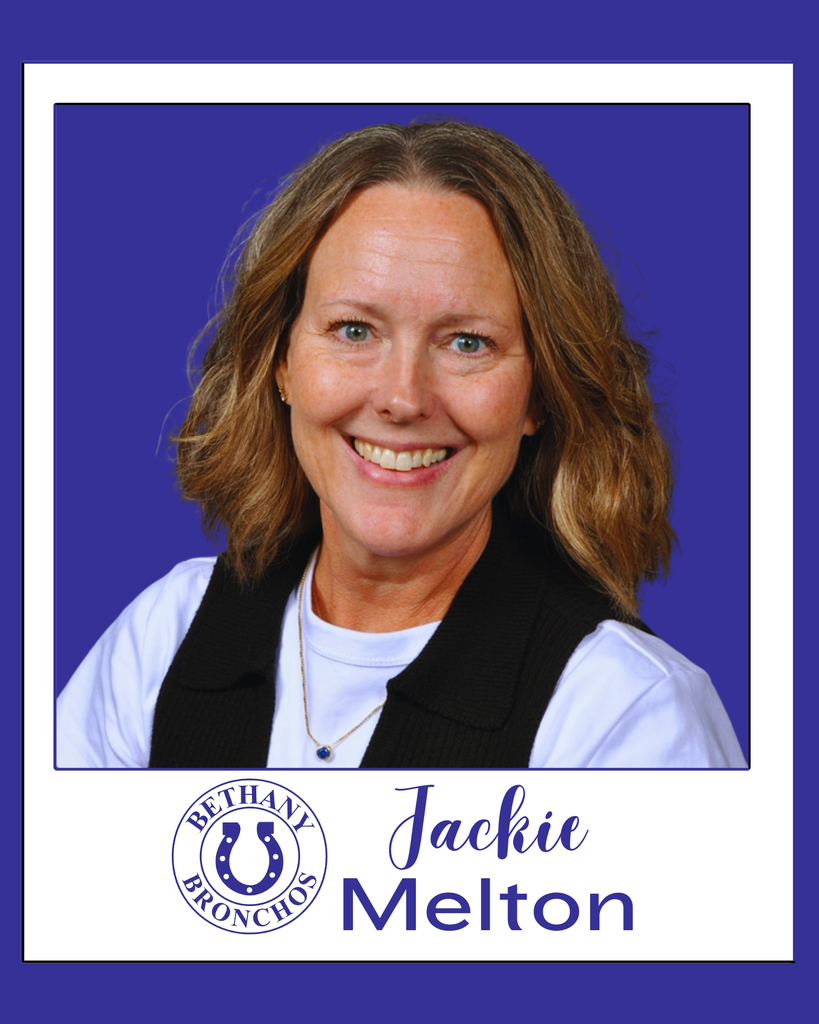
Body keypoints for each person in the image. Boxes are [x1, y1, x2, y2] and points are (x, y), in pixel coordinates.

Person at [57, 120, 746, 769]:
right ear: (281, 361)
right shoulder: (163, 640)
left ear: (539, 393)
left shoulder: (624, 715)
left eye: (467, 342)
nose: (402, 398)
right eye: (354, 330)